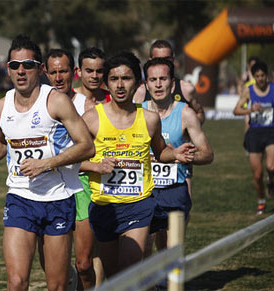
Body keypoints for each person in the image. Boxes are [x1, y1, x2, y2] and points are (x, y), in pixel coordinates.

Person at [0, 35, 95, 291]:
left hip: (57, 198)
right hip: (20, 197)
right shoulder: (1, 106)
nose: (21, 70)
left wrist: (47, 163)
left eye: (27, 64)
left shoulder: (56, 101)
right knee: (16, 282)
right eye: (15, 65)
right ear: (8, 69)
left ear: (39, 68)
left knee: (57, 285)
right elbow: (1, 141)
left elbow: (86, 146)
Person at [80, 51, 195, 278]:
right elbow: (71, 161)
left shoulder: (150, 119)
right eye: (114, 79)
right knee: (114, 277)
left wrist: (176, 154)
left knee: (129, 270)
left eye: (127, 78)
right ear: (107, 83)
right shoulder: (92, 118)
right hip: (105, 206)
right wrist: (96, 166)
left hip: (139, 203)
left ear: (138, 83)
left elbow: (161, 152)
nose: (120, 85)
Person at [141, 58, 213, 260]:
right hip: (144, 190)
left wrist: (180, 156)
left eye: (163, 79)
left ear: (172, 83)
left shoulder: (186, 113)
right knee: (143, 249)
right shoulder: (137, 111)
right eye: (152, 79)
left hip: (174, 190)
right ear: (146, 84)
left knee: (170, 252)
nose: (157, 84)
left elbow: (207, 154)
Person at [44, 48, 96, 290]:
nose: (58, 77)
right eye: (53, 72)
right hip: (47, 188)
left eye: (63, 71)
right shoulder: (39, 103)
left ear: (73, 73)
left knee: (84, 263)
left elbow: (91, 150)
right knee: (52, 265)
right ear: (45, 72)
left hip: (82, 185)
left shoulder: (86, 105)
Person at [134, 39, 205, 207]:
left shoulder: (186, 88)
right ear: (151, 60)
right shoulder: (139, 93)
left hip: (179, 165)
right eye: (159, 59)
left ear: (174, 60)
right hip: (147, 174)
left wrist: (187, 128)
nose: (164, 62)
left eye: (168, 59)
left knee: (181, 216)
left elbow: (199, 113)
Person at [73, 46, 109, 285]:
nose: (94, 76)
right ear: (79, 71)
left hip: (108, 181)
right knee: (79, 258)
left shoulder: (112, 97)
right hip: (75, 182)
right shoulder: (67, 99)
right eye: (89, 71)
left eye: (99, 71)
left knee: (100, 251)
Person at [233, 60, 274, 215]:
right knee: (257, 173)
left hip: (271, 132)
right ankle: (261, 201)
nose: (261, 79)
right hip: (254, 134)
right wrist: (250, 110)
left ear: (267, 75)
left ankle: (271, 180)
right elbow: (236, 110)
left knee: (272, 167)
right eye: (257, 76)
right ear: (254, 76)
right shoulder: (248, 91)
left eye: (263, 76)